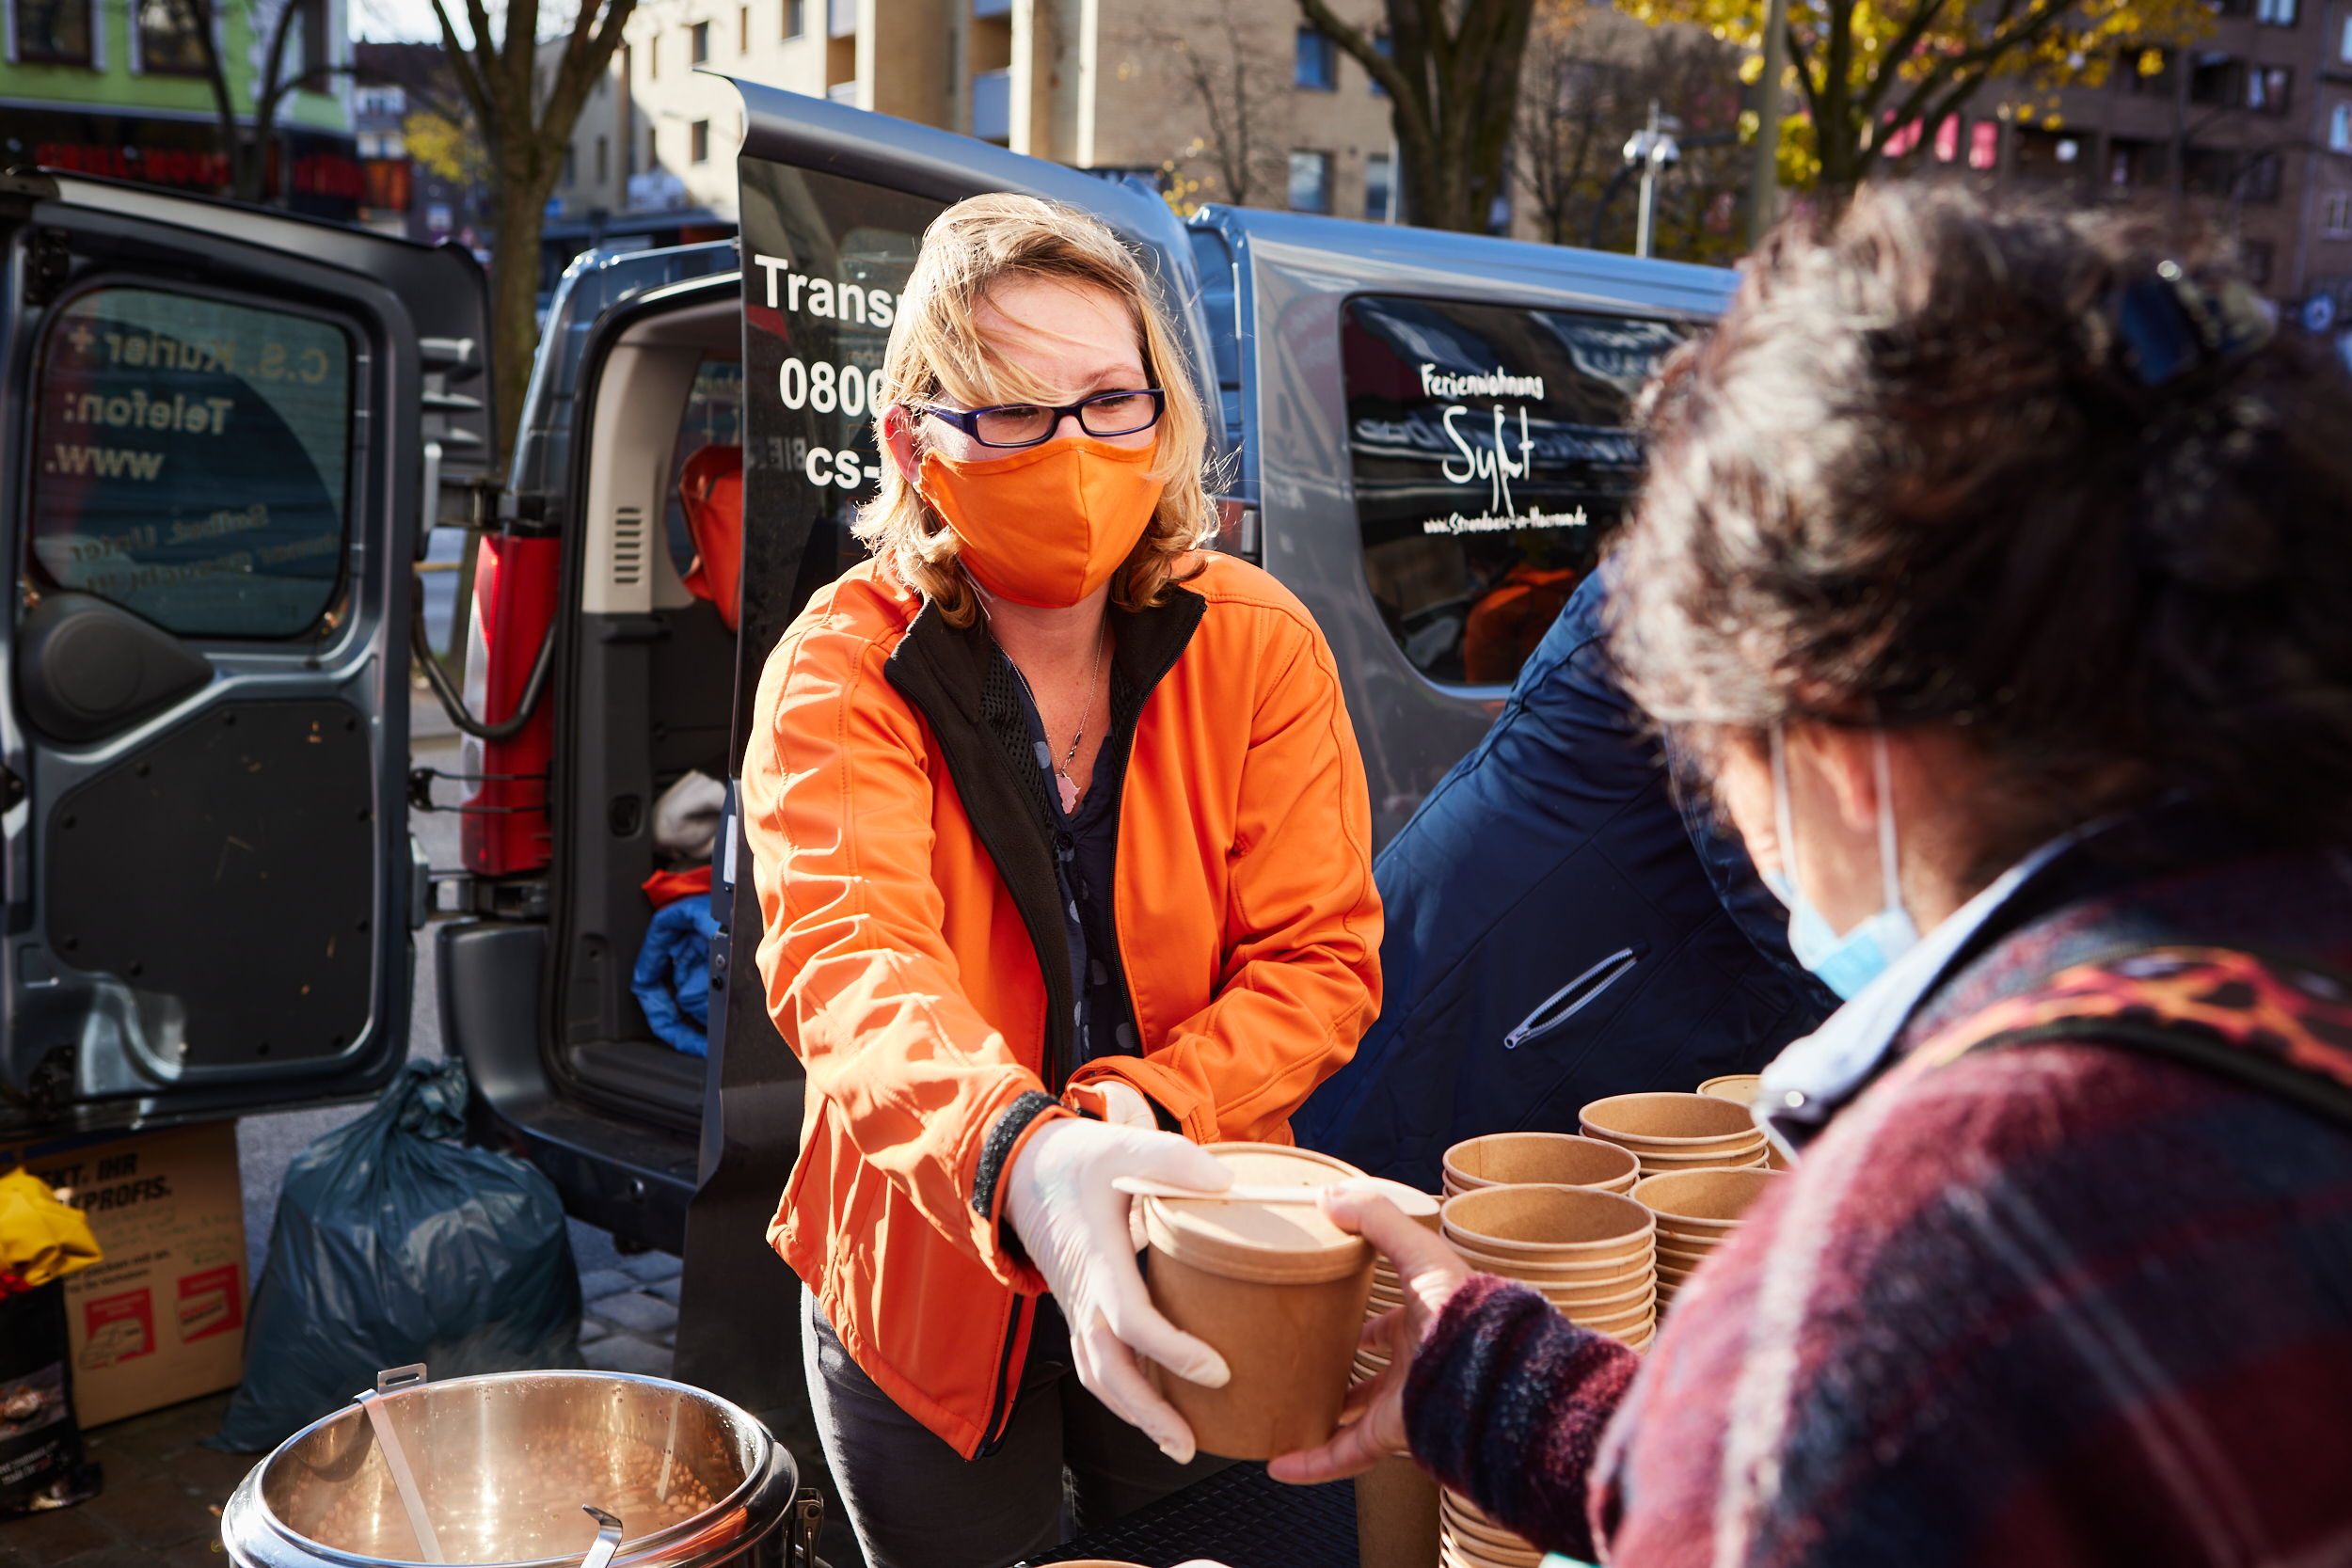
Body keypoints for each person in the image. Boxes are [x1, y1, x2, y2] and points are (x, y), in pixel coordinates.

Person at [1271, 183, 2352, 1563]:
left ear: (1830, 735)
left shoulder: (1917, 1265)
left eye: (1720, 754)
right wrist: (1503, 1388)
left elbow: (1837, 1464)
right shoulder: (2278, 984)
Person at [739, 194, 1383, 1568]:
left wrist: (1145, 1105)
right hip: (919, 1275)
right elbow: (848, 962)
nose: (1077, 450)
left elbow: (1320, 958)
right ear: (915, 441)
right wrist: (1023, 1155)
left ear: (1164, 415)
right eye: (1012, 413)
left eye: (1109, 401)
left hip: (1201, 1250)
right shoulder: (840, 668)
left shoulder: (1259, 644)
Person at [1294, 563, 1834, 1188]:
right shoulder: (1722, 575)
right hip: (1526, 979)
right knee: (1394, 1209)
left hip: (1647, 1004)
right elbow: (1767, 850)